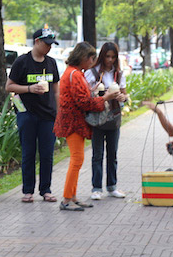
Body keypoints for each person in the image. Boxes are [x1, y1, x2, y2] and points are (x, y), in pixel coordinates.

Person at [53, 42, 119, 211]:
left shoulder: (75, 73)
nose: (92, 61)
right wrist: (106, 97)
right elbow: (84, 102)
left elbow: (82, 97)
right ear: (83, 57)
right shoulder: (74, 74)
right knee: (76, 160)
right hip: (73, 123)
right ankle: (67, 199)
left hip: (74, 122)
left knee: (78, 159)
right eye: (90, 58)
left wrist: (92, 92)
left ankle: (72, 197)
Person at [5, 27, 60, 203]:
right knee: (28, 153)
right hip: (27, 114)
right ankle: (27, 190)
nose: (49, 48)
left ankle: (46, 190)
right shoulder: (22, 62)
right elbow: (9, 86)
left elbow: (56, 91)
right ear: (37, 42)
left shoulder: (51, 63)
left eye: (52, 44)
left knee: (47, 154)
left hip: (48, 115)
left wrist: (59, 113)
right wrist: (29, 89)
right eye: (46, 44)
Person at [84, 42, 128, 200]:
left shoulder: (119, 74)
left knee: (112, 153)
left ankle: (112, 186)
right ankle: (96, 188)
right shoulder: (92, 73)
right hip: (97, 118)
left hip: (114, 117)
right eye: (107, 56)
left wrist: (123, 97)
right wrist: (101, 94)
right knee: (97, 154)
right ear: (102, 56)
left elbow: (125, 94)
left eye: (113, 57)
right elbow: (87, 96)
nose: (110, 60)